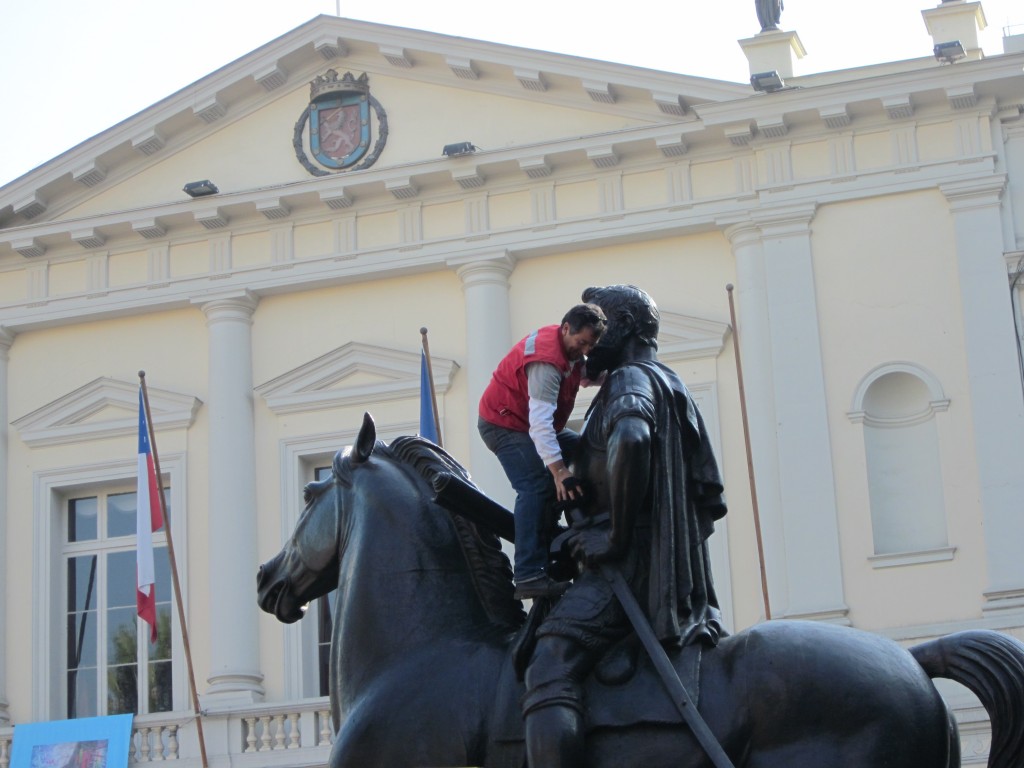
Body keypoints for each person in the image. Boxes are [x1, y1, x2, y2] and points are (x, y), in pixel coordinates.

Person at [520, 285, 727, 768]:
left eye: (600, 331)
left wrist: (610, 538)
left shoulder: (629, 382)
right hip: (649, 556)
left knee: (549, 663)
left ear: (627, 329)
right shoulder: (664, 380)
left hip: (628, 566)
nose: (587, 348)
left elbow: (631, 439)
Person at [478, 303, 608, 600]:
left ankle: (552, 528)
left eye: (591, 344)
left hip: (530, 422)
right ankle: (528, 574)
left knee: (586, 451)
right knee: (536, 486)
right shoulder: (546, 364)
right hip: (506, 424)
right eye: (582, 342)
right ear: (565, 329)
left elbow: (584, 375)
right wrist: (560, 472)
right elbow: (540, 427)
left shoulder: (570, 351)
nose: (585, 349)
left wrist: (610, 375)